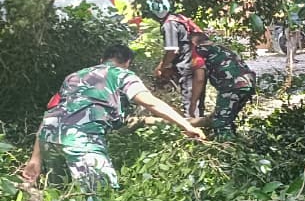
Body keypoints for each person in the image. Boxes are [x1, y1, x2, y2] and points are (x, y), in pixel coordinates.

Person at [20, 44, 205, 191]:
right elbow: (151, 103)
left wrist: (35, 159)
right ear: (127, 62)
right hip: (81, 140)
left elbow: (52, 114)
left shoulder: (74, 77)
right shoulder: (122, 75)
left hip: (48, 139)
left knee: (59, 194)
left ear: (102, 60)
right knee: (102, 196)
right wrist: (186, 125)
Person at [140, 0, 203, 118]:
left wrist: (162, 68)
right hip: (198, 62)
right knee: (197, 99)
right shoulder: (179, 18)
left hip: (187, 65)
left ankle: (193, 130)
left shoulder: (169, 24)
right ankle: (201, 126)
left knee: (189, 100)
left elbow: (172, 51)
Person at [191, 32, 257, 137]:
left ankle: (226, 148)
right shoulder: (221, 47)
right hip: (248, 83)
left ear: (194, 42)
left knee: (220, 123)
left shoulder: (199, 50)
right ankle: (236, 144)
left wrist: (193, 102)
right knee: (228, 119)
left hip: (231, 86)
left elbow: (199, 78)